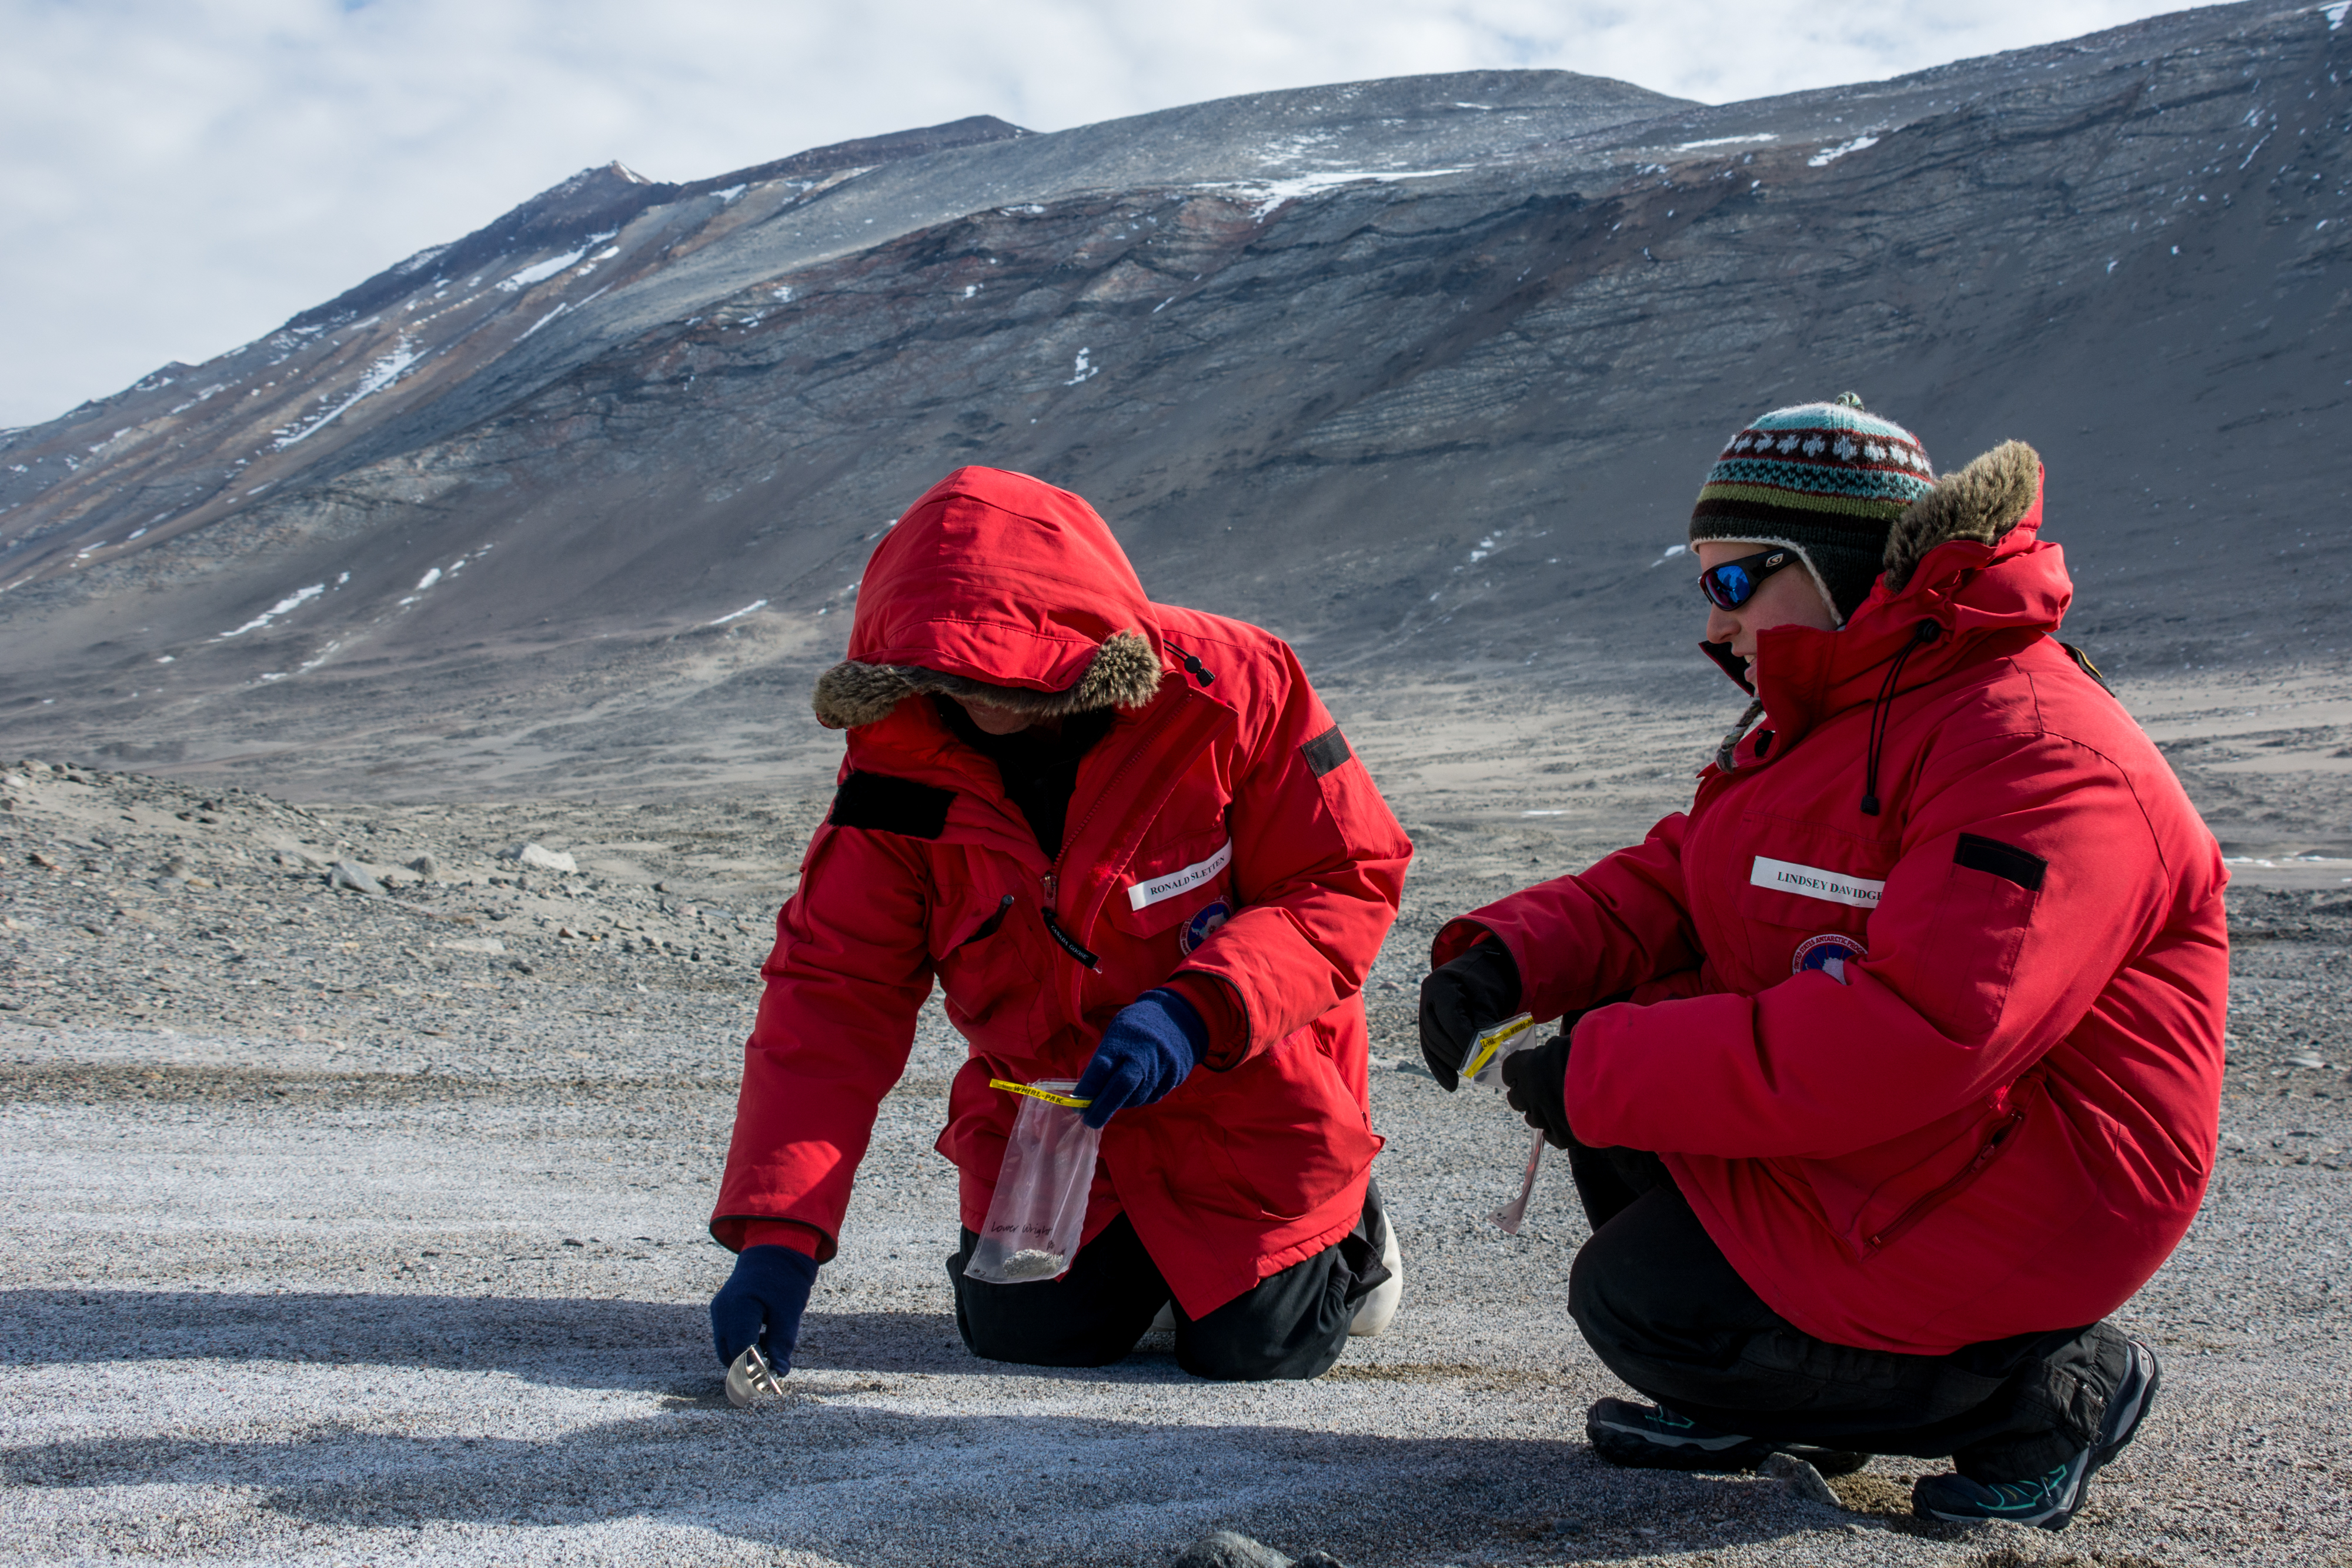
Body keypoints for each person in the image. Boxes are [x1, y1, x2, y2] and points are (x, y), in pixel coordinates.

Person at [1418, 396, 2224, 1530]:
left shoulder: (2037, 750)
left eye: (1734, 582)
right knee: (1633, 1096)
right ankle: (1777, 1395)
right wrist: (1509, 960)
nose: (1715, 624)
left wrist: (1600, 1068)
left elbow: (1926, 1031)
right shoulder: (1842, 717)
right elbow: (1690, 877)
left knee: (1641, 1303)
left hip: (2040, 1180)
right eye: (1703, 586)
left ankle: (2046, 1396)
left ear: (1835, 565)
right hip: (1929, 1149)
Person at [709, 465, 1412, 1385]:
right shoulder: (895, 770)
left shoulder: (1236, 689)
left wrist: (1199, 1009)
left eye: (1017, 673)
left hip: (1248, 1092)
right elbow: (832, 995)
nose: (989, 701)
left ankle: (1352, 1232)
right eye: (954, 674)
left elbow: (1346, 878)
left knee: (1261, 1349)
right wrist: (778, 1234)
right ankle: (1160, 1263)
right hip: (1050, 1122)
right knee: (1027, 1336)